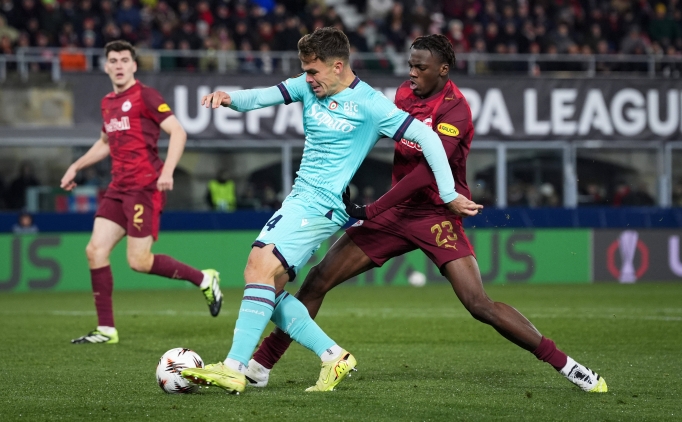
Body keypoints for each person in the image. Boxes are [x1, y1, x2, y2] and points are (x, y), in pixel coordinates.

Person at [245, 34, 608, 394]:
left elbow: (425, 173)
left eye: (420, 67)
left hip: (436, 215)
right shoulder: (404, 94)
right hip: (394, 214)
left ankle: (568, 366)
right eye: (410, 66)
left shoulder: (456, 110)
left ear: (443, 70)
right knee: (317, 280)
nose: (412, 73)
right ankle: (260, 367)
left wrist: (373, 209)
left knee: (478, 304)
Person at [180, 27, 482, 395]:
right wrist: (229, 99)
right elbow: (264, 96)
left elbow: (429, 139)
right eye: (304, 71)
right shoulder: (308, 86)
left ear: (337, 66)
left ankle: (235, 368)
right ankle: (332, 356)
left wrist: (448, 193)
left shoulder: (371, 104)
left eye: (313, 71)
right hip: (300, 198)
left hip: (323, 205)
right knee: (269, 284)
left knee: (258, 267)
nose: (307, 79)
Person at [60, 40, 223, 345]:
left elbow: (178, 131)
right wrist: (76, 166)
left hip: (144, 189)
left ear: (134, 65)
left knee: (139, 261)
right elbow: (105, 142)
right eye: (113, 60)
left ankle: (204, 278)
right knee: (95, 251)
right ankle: (106, 330)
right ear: (106, 67)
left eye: (124, 60)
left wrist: (168, 171)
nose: (119, 65)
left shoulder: (146, 96)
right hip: (117, 188)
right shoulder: (107, 102)